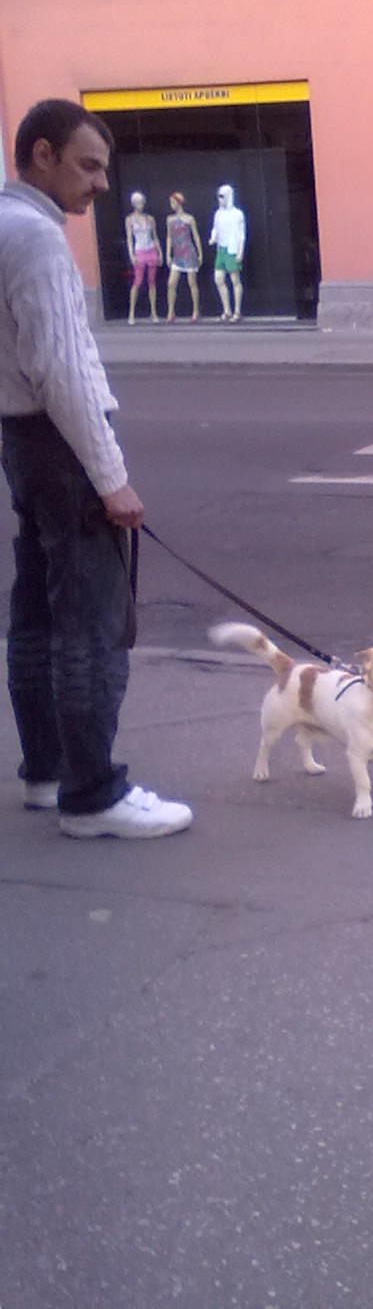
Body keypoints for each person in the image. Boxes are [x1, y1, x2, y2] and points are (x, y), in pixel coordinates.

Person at [0, 99, 192, 838]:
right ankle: (93, 797)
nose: (102, 184)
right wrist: (112, 479)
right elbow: (64, 374)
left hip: (23, 441)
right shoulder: (38, 240)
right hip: (63, 447)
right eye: (88, 166)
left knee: (38, 616)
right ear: (41, 155)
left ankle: (47, 774)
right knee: (90, 625)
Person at [164, 191, 203, 323]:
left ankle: (195, 310)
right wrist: (168, 254)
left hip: (188, 252)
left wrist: (200, 252)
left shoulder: (189, 219)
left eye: (173, 202)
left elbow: (195, 236)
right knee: (171, 283)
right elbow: (169, 237)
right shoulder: (170, 219)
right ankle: (171, 311)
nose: (171, 205)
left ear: (178, 203)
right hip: (177, 254)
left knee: (192, 283)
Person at [210, 183, 246, 322]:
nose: (220, 199)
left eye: (222, 196)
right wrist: (213, 238)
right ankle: (227, 310)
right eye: (219, 196)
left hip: (232, 249)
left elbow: (242, 235)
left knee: (235, 280)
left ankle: (237, 311)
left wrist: (240, 251)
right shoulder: (218, 213)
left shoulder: (237, 214)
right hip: (221, 249)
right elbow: (215, 228)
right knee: (218, 279)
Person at [124, 190, 162, 324]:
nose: (140, 204)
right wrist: (131, 254)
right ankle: (131, 313)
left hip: (151, 250)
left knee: (152, 282)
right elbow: (129, 238)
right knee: (137, 281)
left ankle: (154, 312)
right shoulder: (129, 219)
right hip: (139, 251)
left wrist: (160, 252)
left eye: (141, 202)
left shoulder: (150, 219)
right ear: (133, 203)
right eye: (138, 202)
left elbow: (155, 236)